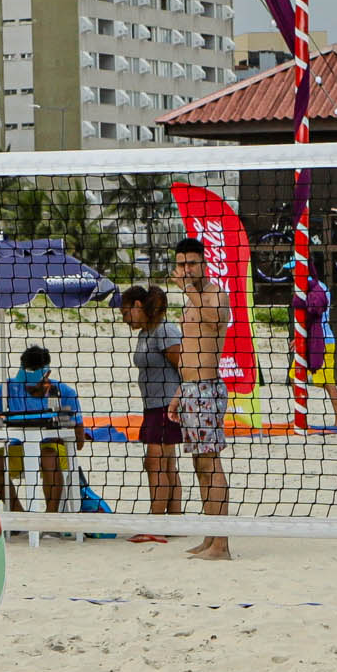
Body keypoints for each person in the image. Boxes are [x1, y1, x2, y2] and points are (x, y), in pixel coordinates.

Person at [167, 238, 235, 560]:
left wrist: (190, 289)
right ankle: (210, 538)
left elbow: (215, 321)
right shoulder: (189, 301)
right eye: (181, 264)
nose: (186, 270)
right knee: (199, 464)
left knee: (210, 463)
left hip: (208, 389)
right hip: (191, 390)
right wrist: (179, 392)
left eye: (191, 264)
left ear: (204, 264)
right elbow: (191, 350)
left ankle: (221, 544)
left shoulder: (214, 295)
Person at [0, 343, 82, 515]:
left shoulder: (65, 393)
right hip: (19, 449)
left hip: (53, 451)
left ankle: (50, 520)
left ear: (47, 375)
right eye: (25, 381)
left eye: (32, 383)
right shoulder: (9, 388)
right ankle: (20, 515)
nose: (27, 386)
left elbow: (79, 443)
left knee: (48, 456)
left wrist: (64, 425)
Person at [119, 284, 184, 536]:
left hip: (167, 406)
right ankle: (174, 522)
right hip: (152, 406)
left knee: (155, 462)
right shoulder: (145, 333)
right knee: (165, 463)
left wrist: (180, 402)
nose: (125, 320)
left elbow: (184, 367)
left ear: (137, 306)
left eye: (126, 313)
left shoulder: (165, 330)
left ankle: (157, 526)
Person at [297, 272, 337, 429]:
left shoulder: (316, 288)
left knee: (327, 382)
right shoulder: (306, 287)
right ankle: (300, 416)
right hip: (308, 339)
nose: (291, 274)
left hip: (321, 341)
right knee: (295, 376)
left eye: (293, 270)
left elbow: (313, 315)